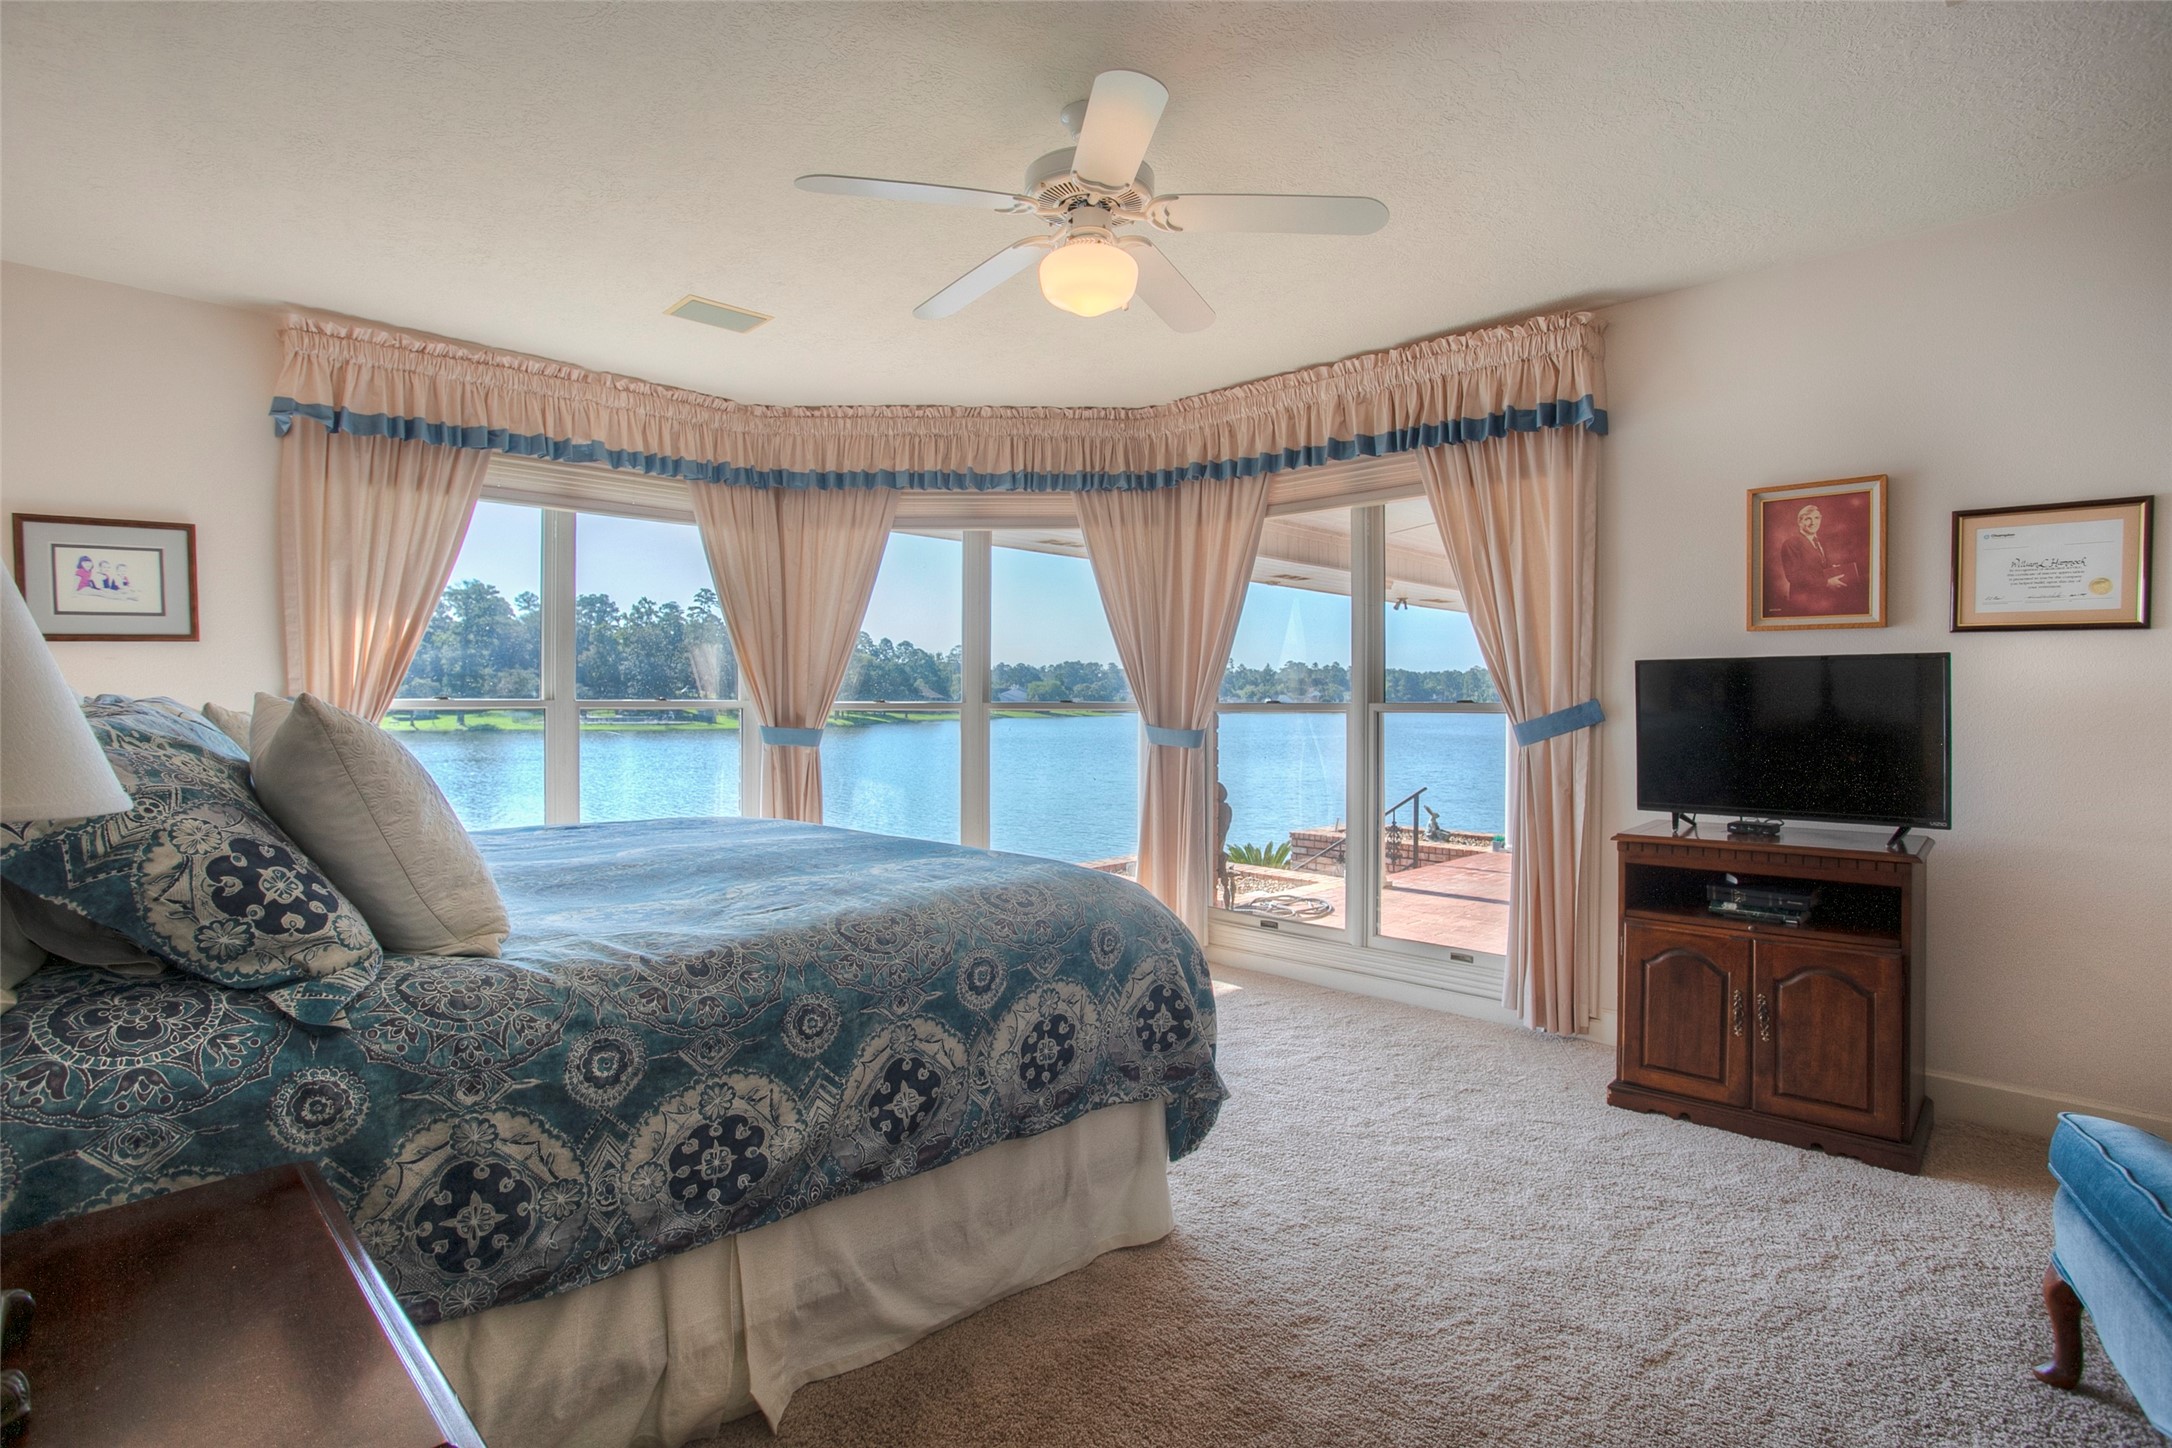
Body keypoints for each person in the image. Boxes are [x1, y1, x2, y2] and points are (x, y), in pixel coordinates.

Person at [1775, 503, 1862, 614]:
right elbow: (1794, 576)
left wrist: (1833, 569)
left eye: (1816, 518)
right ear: (1800, 522)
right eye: (1808, 519)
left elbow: (1818, 567)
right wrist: (1826, 582)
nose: (1813, 522)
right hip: (1804, 602)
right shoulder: (1791, 543)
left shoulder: (1821, 541)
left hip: (1824, 600)